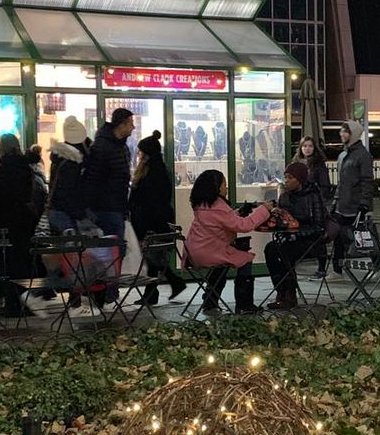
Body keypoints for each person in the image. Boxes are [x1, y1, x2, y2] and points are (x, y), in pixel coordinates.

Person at [184, 169, 273, 314]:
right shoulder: (219, 207)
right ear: (217, 187)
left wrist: (239, 212)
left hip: (194, 252)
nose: (226, 188)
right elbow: (244, 226)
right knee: (245, 260)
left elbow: (224, 221)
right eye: (224, 184)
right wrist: (263, 210)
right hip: (209, 252)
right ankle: (244, 304)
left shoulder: (203, 204)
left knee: (221, 266)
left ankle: (210, 300)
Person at [0, 133, 43, 317]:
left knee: (8, 264)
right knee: (23, 262)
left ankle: (12, 304)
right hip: (24, 222)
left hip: (5, 223)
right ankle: (25, 301)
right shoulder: (25, 169)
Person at [128, 131, 187, 306]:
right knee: (154, 259)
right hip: (155, 222)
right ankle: (164, 287)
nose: (138, 155)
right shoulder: (158, 170)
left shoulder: (152, 173)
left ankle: (168, 285)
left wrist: (143, 224)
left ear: (146, 154)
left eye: (140, 152)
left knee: (153, 258)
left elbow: (149, 202)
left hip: (152, 223)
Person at [263, 161, 327, 310]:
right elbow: (281, 220)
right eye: (285, 177)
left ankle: (290, 295)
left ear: (300, 179)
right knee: (270, 249)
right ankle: (281, 291)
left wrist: (297, 234)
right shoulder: (284, 197)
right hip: (288, 238)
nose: (287, 181)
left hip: (309, 240)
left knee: (285, 250)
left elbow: (319, 226)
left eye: (290, 177)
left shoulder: (313, 196)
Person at [84, 107, 135, 246]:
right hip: (105, 207)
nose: (133, 127)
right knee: (112, 251)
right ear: (121, 125)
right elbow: (93, 177)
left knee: (117, 250)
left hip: (117, 206)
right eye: (131, 123)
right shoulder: (103, 146)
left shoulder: (121, 147)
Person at [328, 121, 374, 273]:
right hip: (342, 205)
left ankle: (377, 264)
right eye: (341, 131)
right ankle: (337, 270)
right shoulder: (343, 155)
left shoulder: (363, 156)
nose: (342, 134)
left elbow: (367, 181)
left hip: (356, 206)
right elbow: (341, 182)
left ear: (353, 134)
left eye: (345, 132)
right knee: (338, 238)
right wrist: (335, 201)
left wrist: (364, 204)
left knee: (364, 237)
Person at [293, 135, 332, 278]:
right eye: (305, 146)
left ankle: (322, 267)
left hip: (314, 204)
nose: (307, 149)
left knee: (317, 235)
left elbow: (325, 185)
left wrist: (319, 200)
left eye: (310, 146)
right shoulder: (296, 162)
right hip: (299, 204)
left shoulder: (318, 164)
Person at [47, 116, 91, 234]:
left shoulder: (60, 158)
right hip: (66, 214)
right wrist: (82, 216)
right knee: (73, 250)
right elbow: (69, 192)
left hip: (57, 211)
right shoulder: (73, 162)